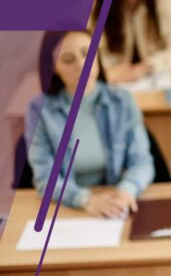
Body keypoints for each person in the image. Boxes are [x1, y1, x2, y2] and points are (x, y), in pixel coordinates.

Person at [25, 30, 154, 216]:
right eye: (68, 60)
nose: (81, 64)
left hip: (114, 200)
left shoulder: (123, 101)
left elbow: (142, 162)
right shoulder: (39, 110)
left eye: (87, 53)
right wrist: (85, 200)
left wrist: (127, 190)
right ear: (54, 67)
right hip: (67, 205)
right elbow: (45, 178)